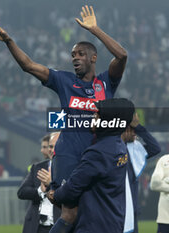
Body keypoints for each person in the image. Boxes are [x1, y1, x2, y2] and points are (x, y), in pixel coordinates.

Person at [0, 5, 127, 232]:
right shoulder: (64, 81)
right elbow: (28, 66)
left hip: (96, 158)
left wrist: (95, 30)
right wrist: (9, 41)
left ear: (94, 57)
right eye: (72, 55)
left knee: (91, 213)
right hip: (69, 155)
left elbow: (122, 55)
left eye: (81, 54)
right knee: (69, 213)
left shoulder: (106, 82)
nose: (75, 58)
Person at [48, 98, 135, 233]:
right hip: (113, 221)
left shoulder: (98, 152)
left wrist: (55, 194)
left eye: (97, 115)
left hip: (93, 225)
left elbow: (71, 189)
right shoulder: (119, 145)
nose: (92, 118)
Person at [121, 112, 161, 233]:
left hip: (132, 208)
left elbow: (155, 148)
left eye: (134, 131)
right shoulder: (112, 148)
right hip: (116, 208)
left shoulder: (136, 149)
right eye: (131, 130)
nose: (134, 134)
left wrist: (138, 127)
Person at [17, 133, 61, 233]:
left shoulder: (70, 169)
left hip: (58, 225)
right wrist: (40, 190)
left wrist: (51, 184)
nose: (50, 149)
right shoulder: (37, 168)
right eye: (50, 146)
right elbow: (21, 192)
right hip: (36, 227)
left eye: (54, 146)